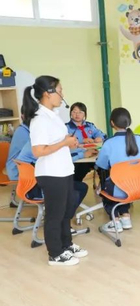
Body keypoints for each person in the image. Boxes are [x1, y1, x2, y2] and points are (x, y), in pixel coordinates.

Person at [24, 76, 88, 266]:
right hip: (51, 173)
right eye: (60, 91)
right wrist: (64, 143)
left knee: (66, 211)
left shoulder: (54, 115)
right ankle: (55, 253)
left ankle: (66, 245)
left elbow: (57, 141)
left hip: (64, 170)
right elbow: (38, 151)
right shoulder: (39, 119)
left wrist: (69, 141)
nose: (62, 95)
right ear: (47, 93)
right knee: (55, 214)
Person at [96, 107, 140, 233]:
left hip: (119, 189)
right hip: (139, 186)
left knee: (106, 186)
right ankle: (125, 217)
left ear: (112, 123)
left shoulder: (109, 143)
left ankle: (115, 221)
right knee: (124, 179)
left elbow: (101, 165)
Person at [66, 102, 106, 182]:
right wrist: (82, 141)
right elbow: (65, 143)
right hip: (79, 158)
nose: (77, 114)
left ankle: (104, 185)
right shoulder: (66, 127)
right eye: (74, 112)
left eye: (80, 112)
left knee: (104, 167)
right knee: (78, 173)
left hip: (93, 154)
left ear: (85, 114)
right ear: (70, 113)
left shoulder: (90, 125)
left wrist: (99, 138)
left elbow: (103, 135)